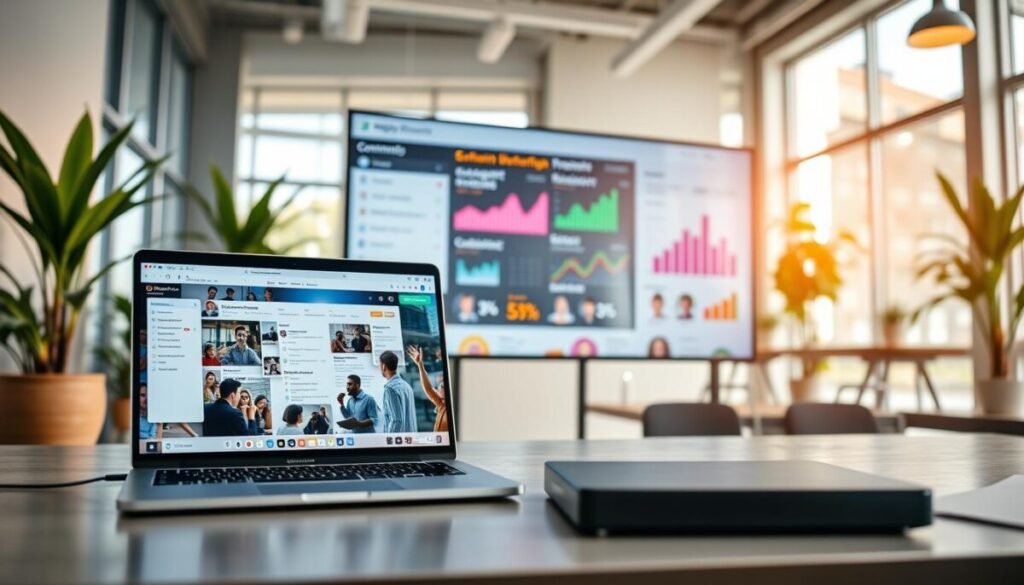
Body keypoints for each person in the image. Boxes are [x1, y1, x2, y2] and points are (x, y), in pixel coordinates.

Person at [407, 345, 448, 432]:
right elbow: (429, 389)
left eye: (442, 385)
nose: (439, 387)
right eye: (439, 385)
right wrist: (420, 365)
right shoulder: (441, 404)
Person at [379, 350, 418, 433]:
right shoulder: (406, 386)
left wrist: (389, 442)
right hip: (411, 439)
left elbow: (396, 421)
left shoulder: (390, 389)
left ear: (383, 366)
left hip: (398, 442)